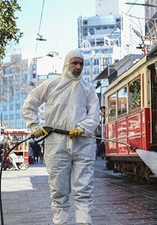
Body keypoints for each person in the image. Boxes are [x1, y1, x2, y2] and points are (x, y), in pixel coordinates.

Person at [22, 49, 100, 225]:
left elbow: (94, 116)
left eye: (81, 63)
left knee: (84, 189)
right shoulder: (52, 85)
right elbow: (30, 103)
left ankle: (84, 222)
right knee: (59, 191)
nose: (78, 67)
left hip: (83, 143)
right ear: (67, 64)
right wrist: (35, 126)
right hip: (56, 143)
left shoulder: (88, 89)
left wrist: (81, 127)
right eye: (75, 63)